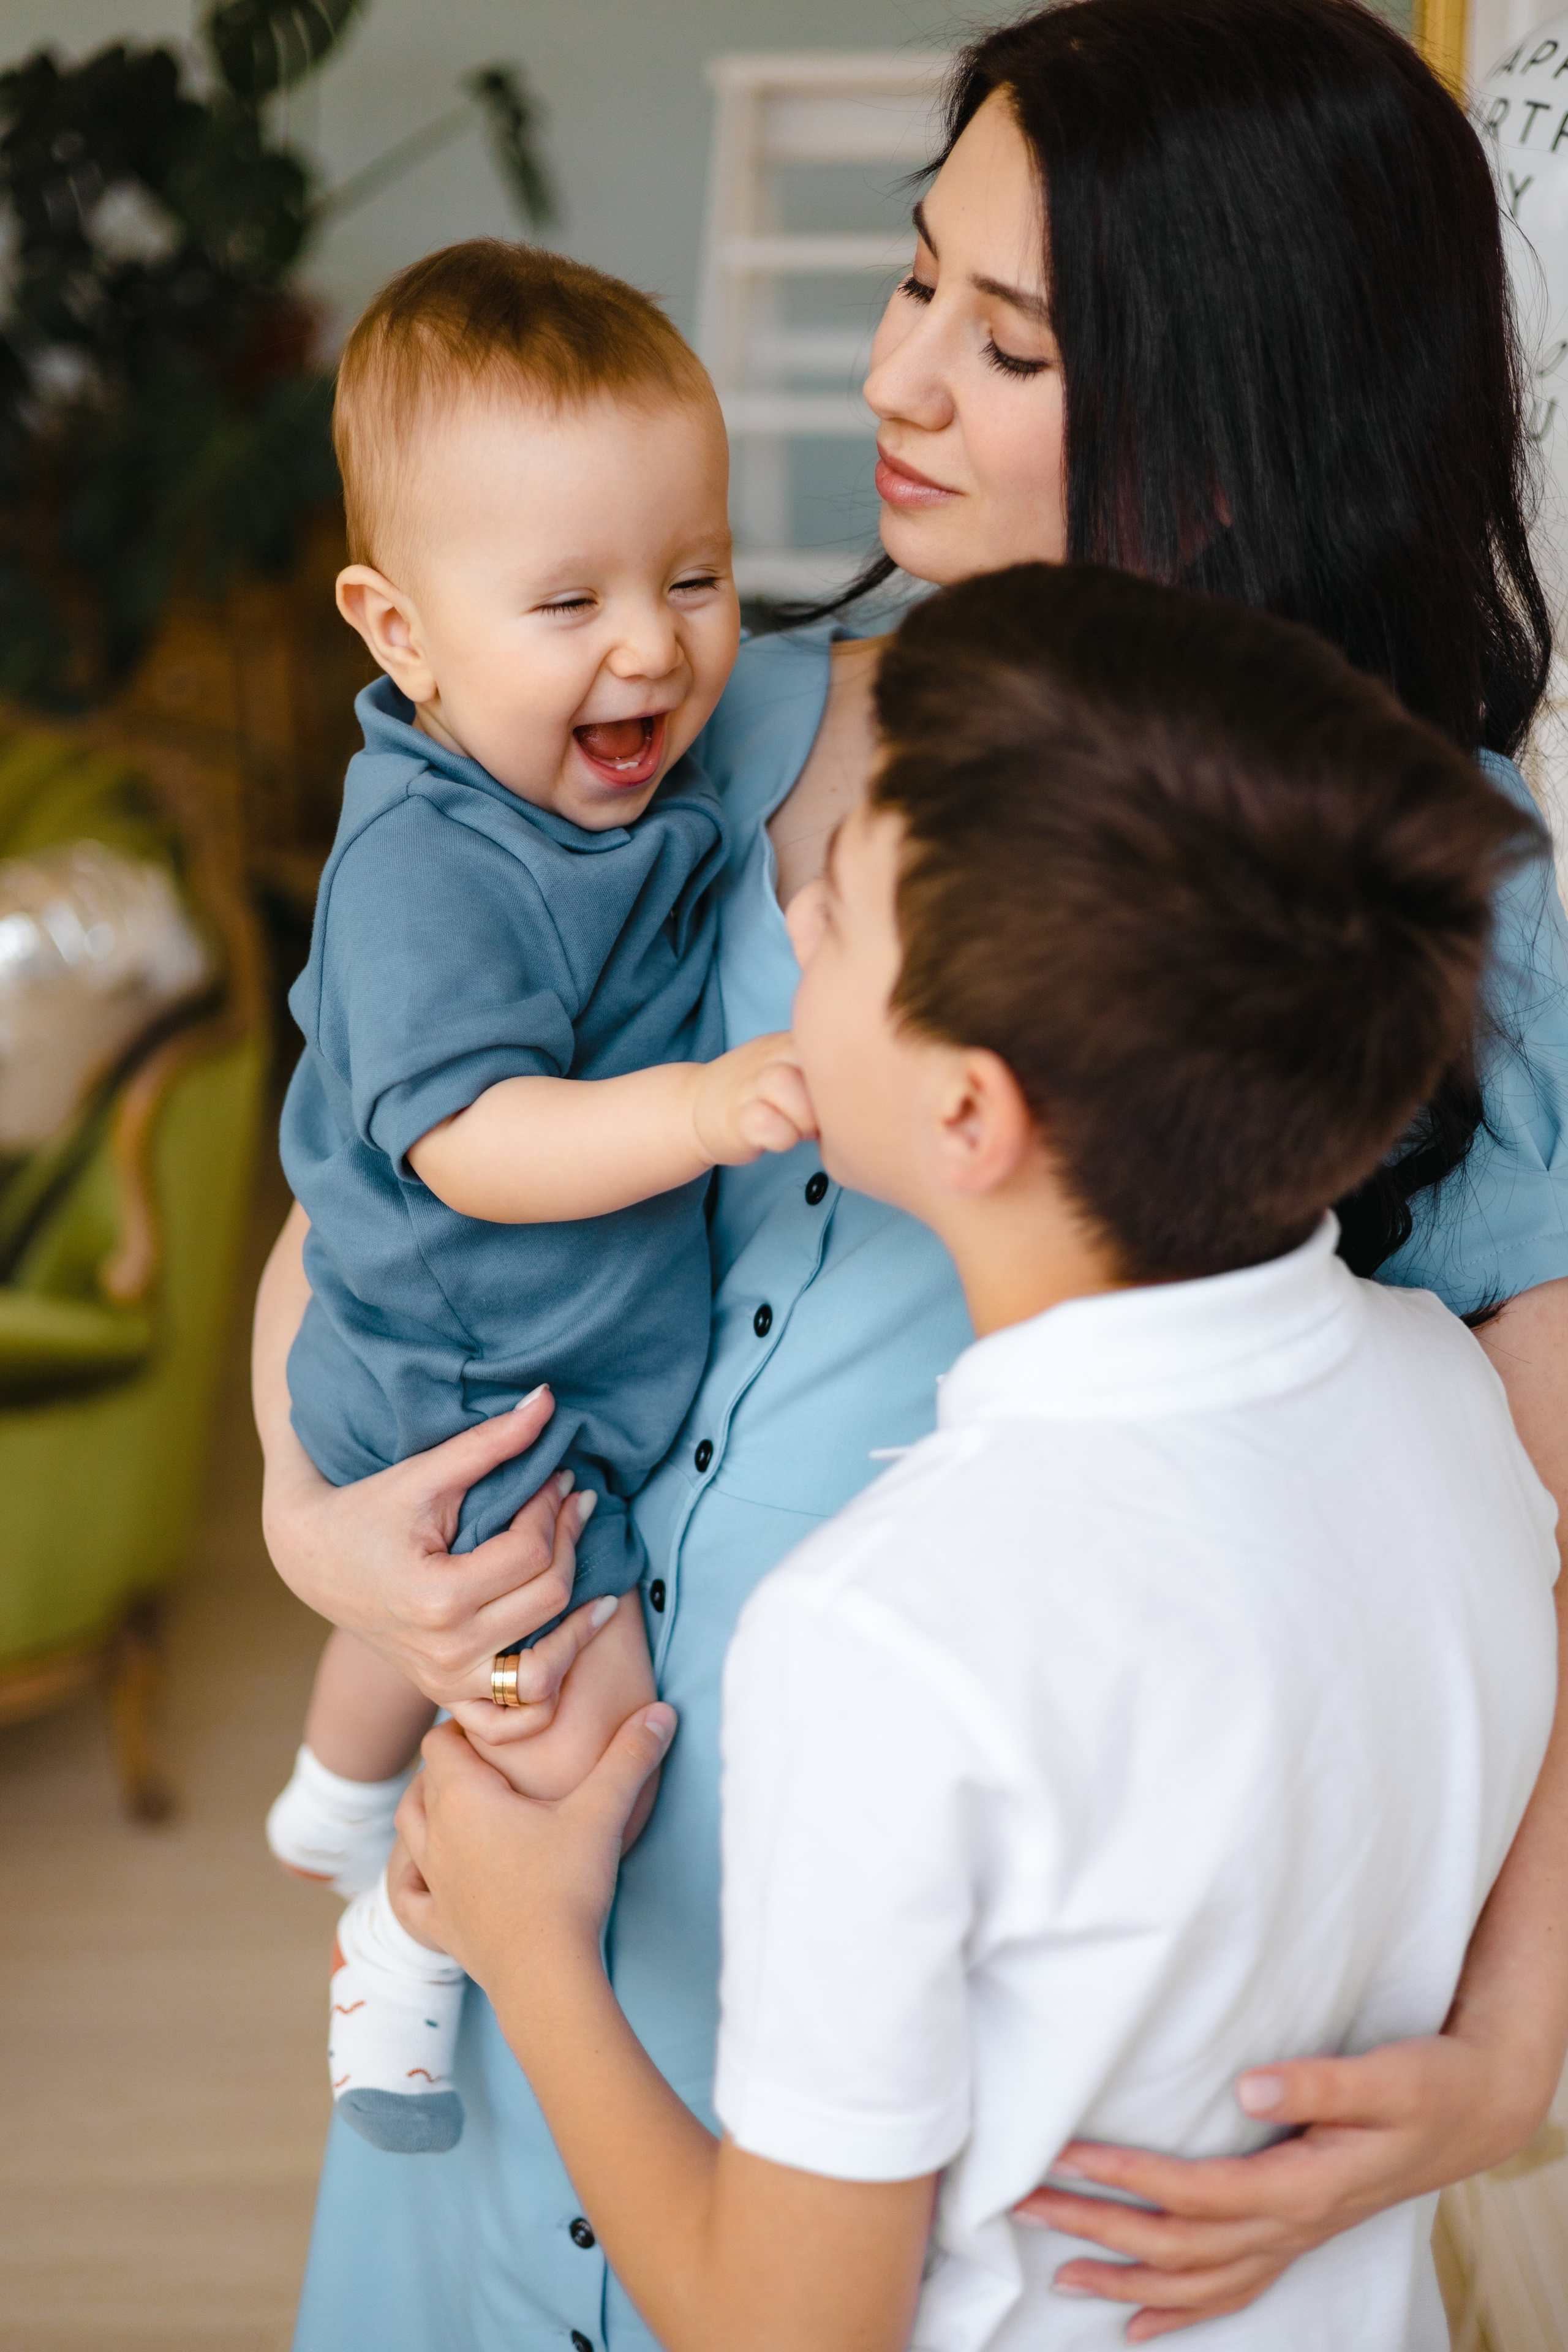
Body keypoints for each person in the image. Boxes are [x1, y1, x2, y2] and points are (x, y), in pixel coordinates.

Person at [254, 3, 1568, 2341]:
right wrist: (307, 1512)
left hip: (947, 2096)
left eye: (1013, 338)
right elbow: (373, 1182)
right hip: (538, 1947)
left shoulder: (1410, 892)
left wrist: (1514, 2061)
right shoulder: (678, 709)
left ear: (1239, 401)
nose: (900, 386)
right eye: (912, 281)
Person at [396, 560, 1561, 2352]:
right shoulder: (1453, 1414)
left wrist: (525, 1944)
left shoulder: (889, 1630)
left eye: (838, 913)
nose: (791, 938)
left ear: (967, 1110)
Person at [260, 239, 810, 2156]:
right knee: (564, 1704)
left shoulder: (596, 786)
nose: (650, 648)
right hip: (467, 1372)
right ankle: (396, 1937)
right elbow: (463, 1140)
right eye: (568, 599)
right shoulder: (429, 861)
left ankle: (334, 1786)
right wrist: (701, 1107)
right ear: (398, 633)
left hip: (508, 1358)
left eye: (695, 577)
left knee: (439, 1629)